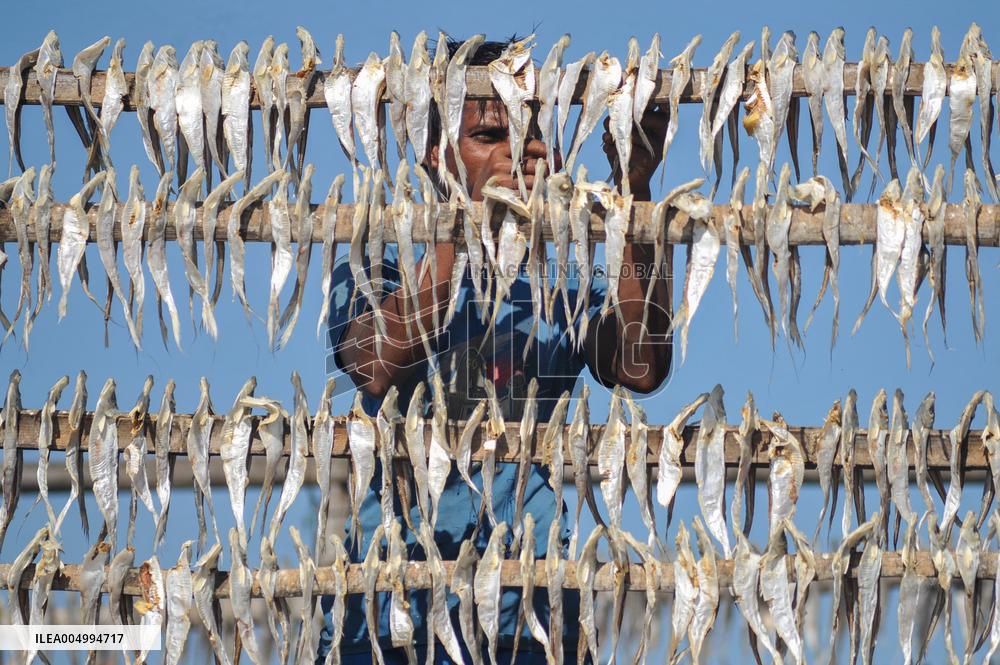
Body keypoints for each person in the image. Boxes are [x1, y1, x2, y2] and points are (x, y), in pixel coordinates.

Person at [317, 36, 672, 665]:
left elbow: (642, 366)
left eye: (537, 131)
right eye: (490, 136)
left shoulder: (568, 275)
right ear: (436, 155)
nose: (524, 151)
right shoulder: (378, 254)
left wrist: (634, 190)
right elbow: (379, 363)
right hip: (387, 625)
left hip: (529, 624)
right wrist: (463, 224)